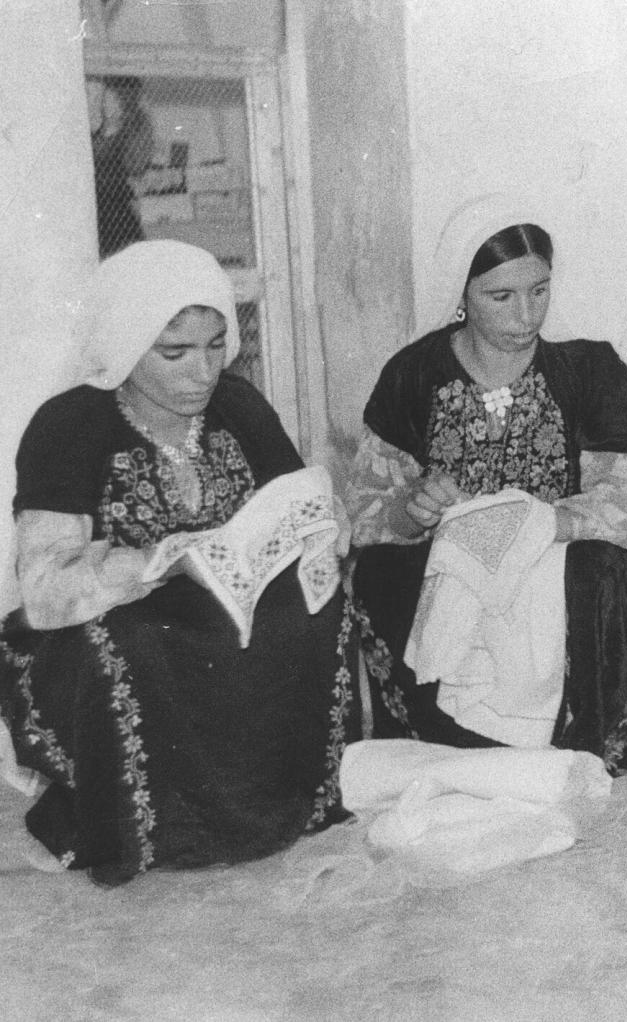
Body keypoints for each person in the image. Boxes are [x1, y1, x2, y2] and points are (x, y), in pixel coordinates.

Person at [0, 240, 355, 886]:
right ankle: (154, 824)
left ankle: (283, 799)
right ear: (125, 341)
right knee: (134, 640)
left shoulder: (238, 407)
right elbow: (45, 588)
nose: (204, 372)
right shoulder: (70, 426)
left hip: (224, 613)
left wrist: (320, 525)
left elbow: (293, 501)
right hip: (120, 621)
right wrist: (160, 564)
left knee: (317, 609)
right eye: (175, 352)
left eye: (217, 345)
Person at [348, 197, 627, 772]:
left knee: (603, 566)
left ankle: (579, 739)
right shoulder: (413, 374)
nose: (527, 316)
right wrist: (409, 510)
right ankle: (446, 735)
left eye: (539, 290)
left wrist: (530, 523)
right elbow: (363, 515)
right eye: (501, 297)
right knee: (377, 572)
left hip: (551, 566)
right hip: (452, 580)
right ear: (461, 295)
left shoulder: (588, 370)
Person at [89, 75, 153, 258]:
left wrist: (125, 127)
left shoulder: (137, 123)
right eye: (114, 96)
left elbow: (136, 166)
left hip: (116, 201)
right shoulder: (90, 124)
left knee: (127, 255)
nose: (119, 102)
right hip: (92, 200)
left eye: (126, 97)